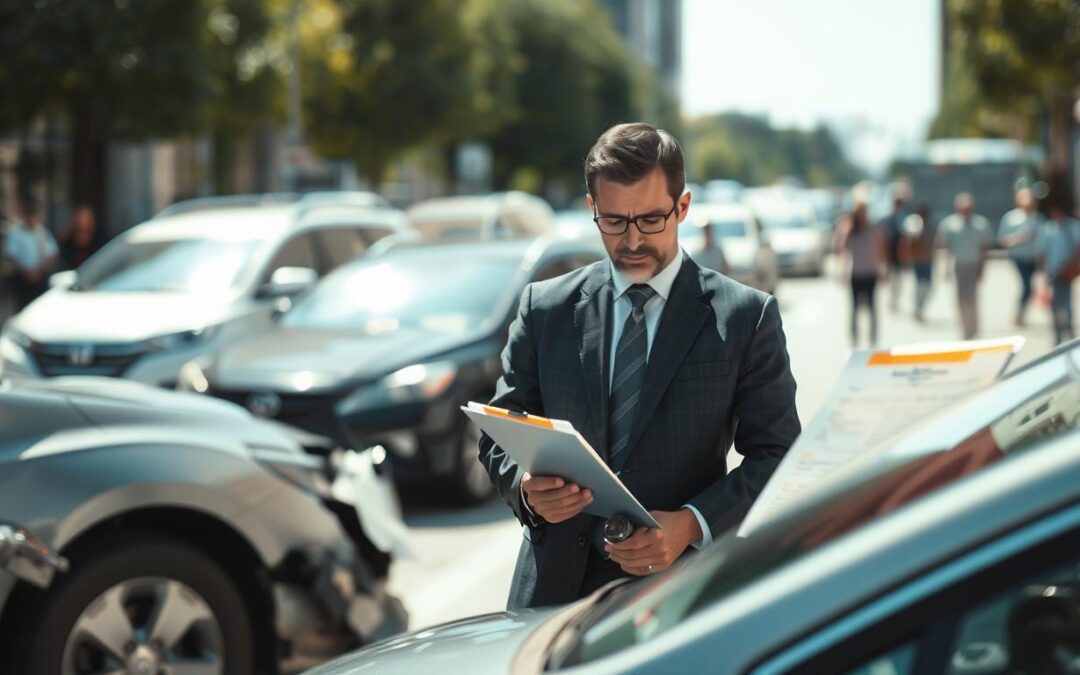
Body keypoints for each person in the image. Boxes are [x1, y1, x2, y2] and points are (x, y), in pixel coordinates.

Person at [479, 123, 801, 609]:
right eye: (614, 221)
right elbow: (500, 431)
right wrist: (526, 490)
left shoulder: (745, 317)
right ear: (592, 210)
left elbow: (778, 455)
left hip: (680, 596)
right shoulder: (543, 308)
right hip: (551, 599)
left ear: (684, 207)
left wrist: (691, 523)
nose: (632, 241)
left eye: (651, 220)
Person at [937, 193, 993, 340]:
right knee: (961, 298)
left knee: (973, 297)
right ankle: (964, 328)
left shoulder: (981, 224)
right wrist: (945, 268)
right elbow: (946, 248)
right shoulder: (950, 224)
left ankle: (974, 329)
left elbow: (985, 249)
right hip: (959, 265)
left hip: (974, 264)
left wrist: (983, 268)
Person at [835, 199, 886, 346]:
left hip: (871, 271)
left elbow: (880, 248)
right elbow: (842, 250)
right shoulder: (849, 228)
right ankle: (855, 340)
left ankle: (873, 340)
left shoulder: (874, 227)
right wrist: (841, 270)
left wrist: (882, 267)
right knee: (855, 308)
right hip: (856, 272)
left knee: (872, 308)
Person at [1035, 202, 1080, 345]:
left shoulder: (1073, 226)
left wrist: (1071, 266)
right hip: (1053, 272)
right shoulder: (1048, 229)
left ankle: (1069, 332)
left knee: (1066, 302)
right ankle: (1057, 334)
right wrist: (1043, 272)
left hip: (1067, 271)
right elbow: (1042, 252)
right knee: (1055, 304)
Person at [2, 198, 58, 311]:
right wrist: (26, 272)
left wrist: (38, 271)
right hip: (22, 279)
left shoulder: (43, 233)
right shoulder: (16, 233)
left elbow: (51, 255)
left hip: (40, 277)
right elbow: (11, 256)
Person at [998, 188, 1043, 327]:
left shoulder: (1039, 218)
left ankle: (1022, 313)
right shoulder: (1011, 218)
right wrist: (1020, 238)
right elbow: (1002, 240)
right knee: (1026, 287)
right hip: (1019, 257)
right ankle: (1019, 314)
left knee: (1030, 287)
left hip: (1034, 257)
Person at [900, 204, 935, 322]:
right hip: (919, 261)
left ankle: (920, 308)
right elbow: (908, 243)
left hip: (928, 261)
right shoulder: (915, 226)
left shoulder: (930, 228)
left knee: (928, 287)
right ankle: (917, 308)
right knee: (920, 286)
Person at [881, 182, 912, 313]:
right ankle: (892, 301)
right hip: (891, 252)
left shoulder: (905, 218)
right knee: (893, 279)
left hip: (901, 253)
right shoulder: (887, 218)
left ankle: (896, 299)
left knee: (899, 280)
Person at [59, 204, 99, 270]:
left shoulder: (99, 238)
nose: (82, 221)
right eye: (80, 217)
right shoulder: (68, 239)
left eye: (85, 218)